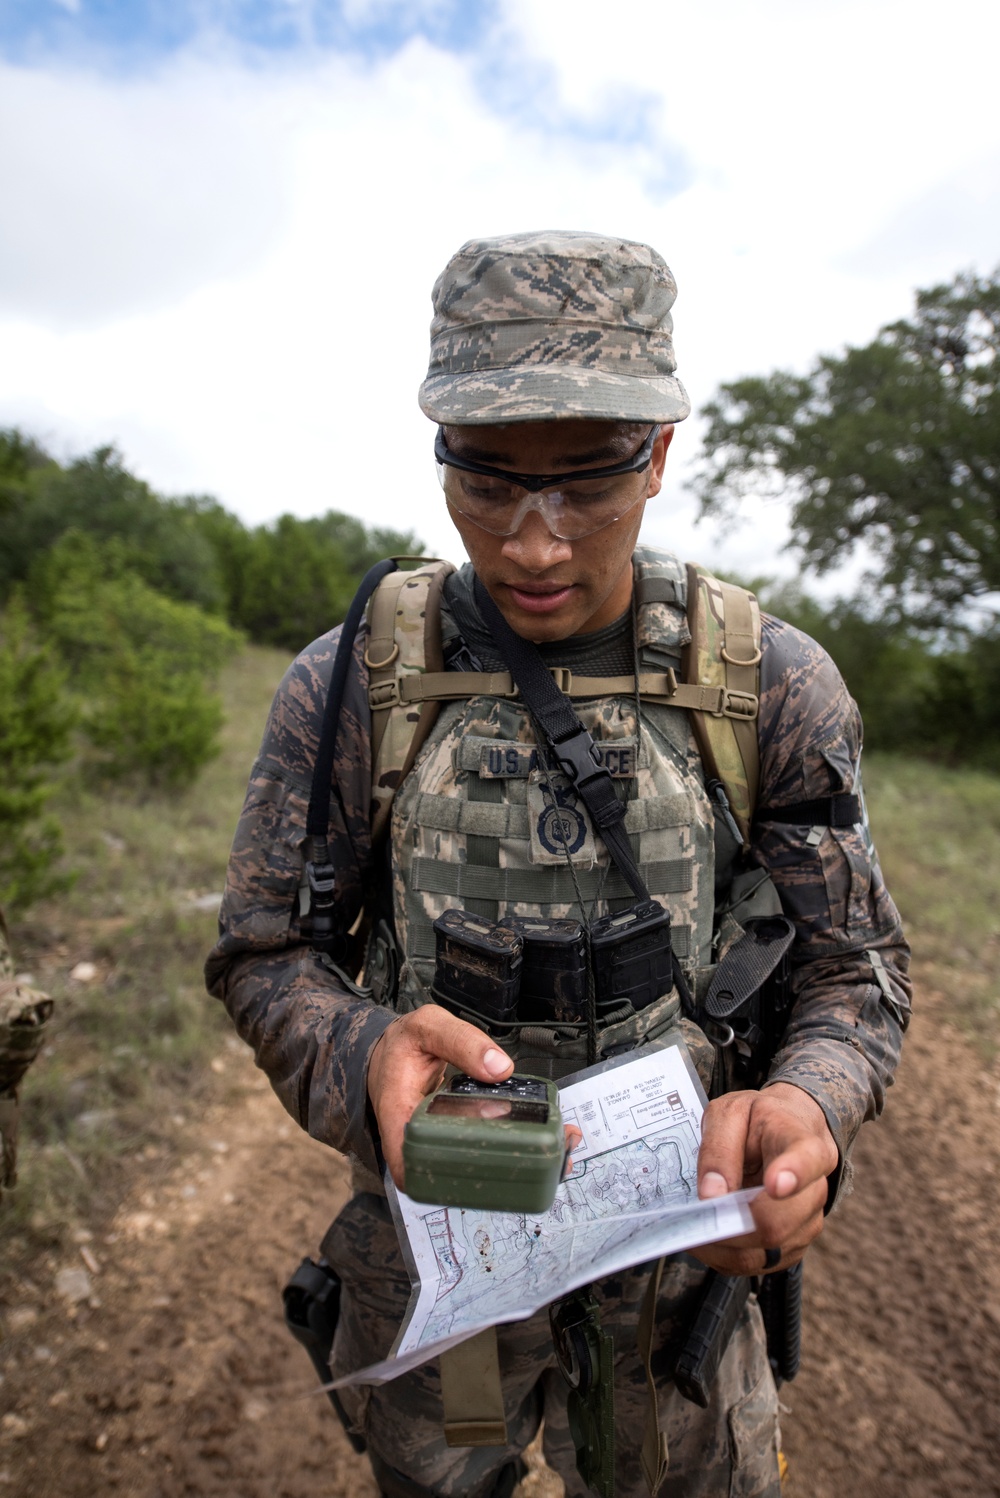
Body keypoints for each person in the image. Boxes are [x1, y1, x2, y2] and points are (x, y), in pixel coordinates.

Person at [206, 231, 910, 1498]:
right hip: (446, 1266)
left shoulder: (767, 682)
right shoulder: (357, 678)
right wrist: (365, 1056)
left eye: (584, 481)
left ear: (658, 455)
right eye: (485, 480)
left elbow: (852, 967)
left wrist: (808, 1107)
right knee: (451, 1477)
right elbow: (264, 954)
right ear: (439, 456)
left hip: (674, 1268)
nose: (532, 544)